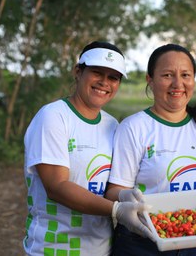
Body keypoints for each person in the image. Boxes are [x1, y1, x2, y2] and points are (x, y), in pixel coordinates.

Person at [23, 41, 153, 256]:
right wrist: (117, 210)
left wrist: (126, 197)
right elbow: (56, 186)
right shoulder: (53, 116)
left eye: (113, 77)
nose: (104, 82)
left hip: (102, 248)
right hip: (54, 248)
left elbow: (112, 185)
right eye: (96, 72)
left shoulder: (113, 125)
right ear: (78, 72)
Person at [105, 43, 196, 256]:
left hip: (194, 238)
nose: (178, 84)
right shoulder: (134, 127)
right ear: (150, 80)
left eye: (185, 75)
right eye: (167, 75)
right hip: (142, 240)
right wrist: (127, 199)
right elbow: (114, 190)